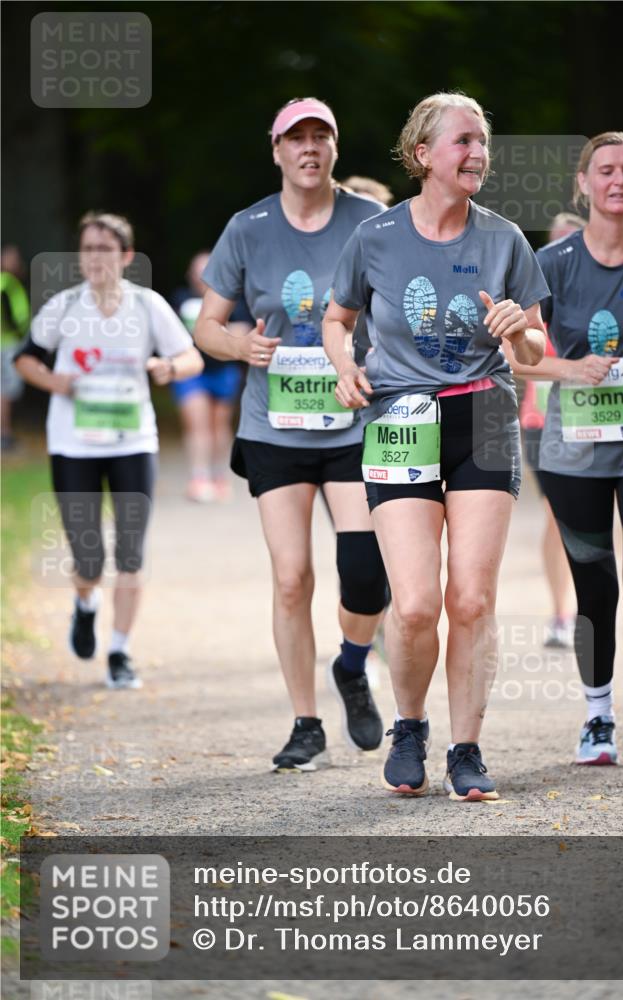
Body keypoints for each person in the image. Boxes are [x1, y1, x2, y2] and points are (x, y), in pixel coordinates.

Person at [323, 92, 548, 801]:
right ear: (422, 154)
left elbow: (537, 348)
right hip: (398, 415)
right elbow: (337, 318)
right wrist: (344, 364)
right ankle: (410, 725)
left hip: (481, 412)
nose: (477, 153)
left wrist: (516, 332)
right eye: (462, 141)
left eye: (482, 141)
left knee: (472, 598)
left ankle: (466, 747)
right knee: (416, 605)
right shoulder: (376, 237)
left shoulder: (503, 238)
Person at [195, 98, 389, 772]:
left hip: (353, 418)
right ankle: (305, 722)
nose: (308, 149)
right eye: (295, 139)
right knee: (290, 579)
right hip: (274, 424)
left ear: (335, 148)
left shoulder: (371, 221)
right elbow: (206, 325)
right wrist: (236, 343)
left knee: (365, 572)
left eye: (320, 137)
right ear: (275, 149)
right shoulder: (246, 228)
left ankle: (353, 664)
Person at [511, 132, 623, 764]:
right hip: (573, 449)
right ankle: (598, 713)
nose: (619, 180)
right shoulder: (551, 264)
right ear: (584, 183)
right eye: (606, 170)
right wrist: (563, 369)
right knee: (593, 587)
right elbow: (514, 356)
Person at [14, 211, 202, 689]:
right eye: (88, 249)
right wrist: (54, 380)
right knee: (89, 556)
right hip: (73, 444)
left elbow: (192, 356)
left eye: (104, 249)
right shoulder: (64, 306)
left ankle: (119, 651)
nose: (95, 258)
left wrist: (169, 368)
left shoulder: (148, 306)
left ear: (125, 257)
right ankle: (85, 603)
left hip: (133, 442)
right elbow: (25, 359)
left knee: (131, 553)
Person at [518, 213, 586, 648]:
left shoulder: (600, 294)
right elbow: (520, 359)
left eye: (571, 239)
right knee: (557, 517)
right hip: (543, 421)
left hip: (596, 418)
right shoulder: (532, 298)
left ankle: (592, 601)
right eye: (556, 240)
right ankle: (563, 612)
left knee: (603, 515)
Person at [171, 251, 252, 502]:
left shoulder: (231, 300)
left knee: (219, 424)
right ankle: (198, 477)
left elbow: (245, 329)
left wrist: (217, 334)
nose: (201, 276)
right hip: (192, 372)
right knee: (197, 422)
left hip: (223, 369)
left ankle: (219, 476)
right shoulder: (181, 299)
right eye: (197, 270)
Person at [1, 245, 31, 450]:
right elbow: (15, 317)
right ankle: (4, 434)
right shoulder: (7, 284)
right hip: (8, 344)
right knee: (5, 391)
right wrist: (23, 336)